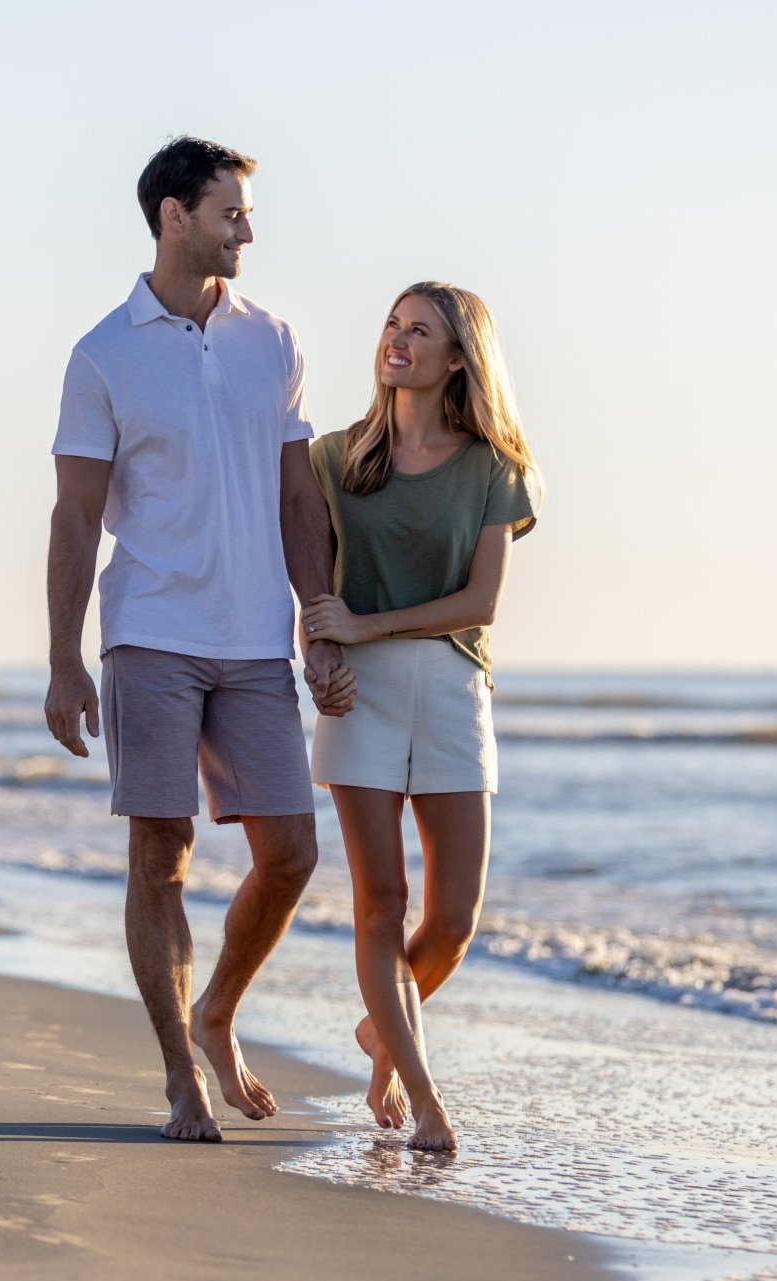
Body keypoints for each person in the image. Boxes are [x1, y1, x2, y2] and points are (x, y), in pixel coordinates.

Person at [43, 137, 356, 1143]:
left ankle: (214, 1007)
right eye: (230, 212)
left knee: (292, 848)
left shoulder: (274, 339)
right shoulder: (103, 354)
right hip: (149, 633)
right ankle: (179, 1072)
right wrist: (62, 660)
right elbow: (73, 517)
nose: (247, 230)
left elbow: (296, 490)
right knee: (159, 850)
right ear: (173, 215)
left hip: (256, 637)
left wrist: (316, 616)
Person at [302, 282, 540, 1153]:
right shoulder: (335, 458)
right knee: (380, 903)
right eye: (392, 325)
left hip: (449, 686)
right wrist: (321, 642)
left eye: (420, 331)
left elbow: (480, 603)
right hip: (359, 694)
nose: (398, 341)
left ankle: (382, 1031)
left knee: (452, 920)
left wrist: (367, 623)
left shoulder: (494, 468)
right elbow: (307, 571)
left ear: (457, 360)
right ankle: (423, 1093)